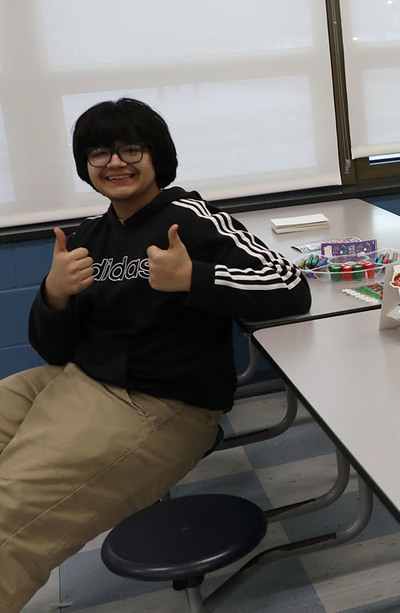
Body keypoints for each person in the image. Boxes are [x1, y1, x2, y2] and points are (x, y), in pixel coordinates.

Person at [0, 98, 311, 608]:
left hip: (156, 402)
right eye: (99, 153)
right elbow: (54, 349)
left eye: (130, 148)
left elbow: (289, 285)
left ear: (157, 155)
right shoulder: (88, 235)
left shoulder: (188, 217)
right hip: (73, 380)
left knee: (9, 515)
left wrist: (195, 278)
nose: (115, 163)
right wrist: (54, 295)